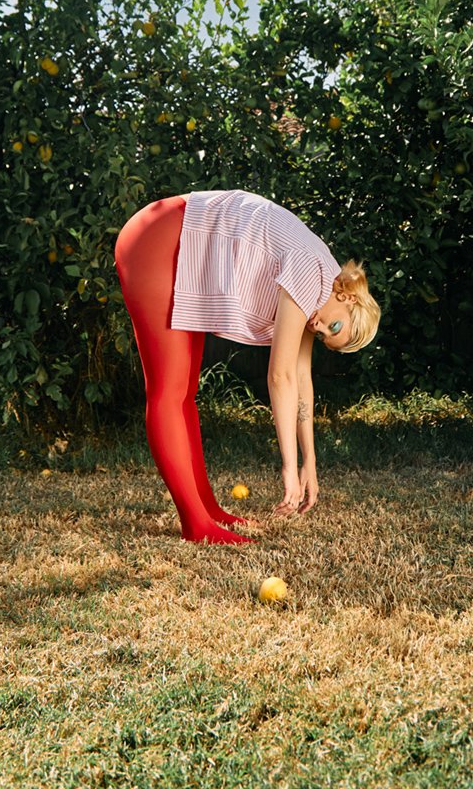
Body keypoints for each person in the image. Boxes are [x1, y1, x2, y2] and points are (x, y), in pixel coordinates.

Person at [114, 189, 380, 545]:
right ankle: (197, 526)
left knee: (185, 395)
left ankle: (208, 510)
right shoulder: (311, 271)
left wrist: (309, 464)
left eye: (324, 337)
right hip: (161, 238)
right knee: (169, 390)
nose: (318, 328)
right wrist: (288, 466)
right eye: (334, 327)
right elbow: (279, 375)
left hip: (185, 248)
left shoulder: (322, 292)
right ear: (348, 298)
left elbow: (301, 379)